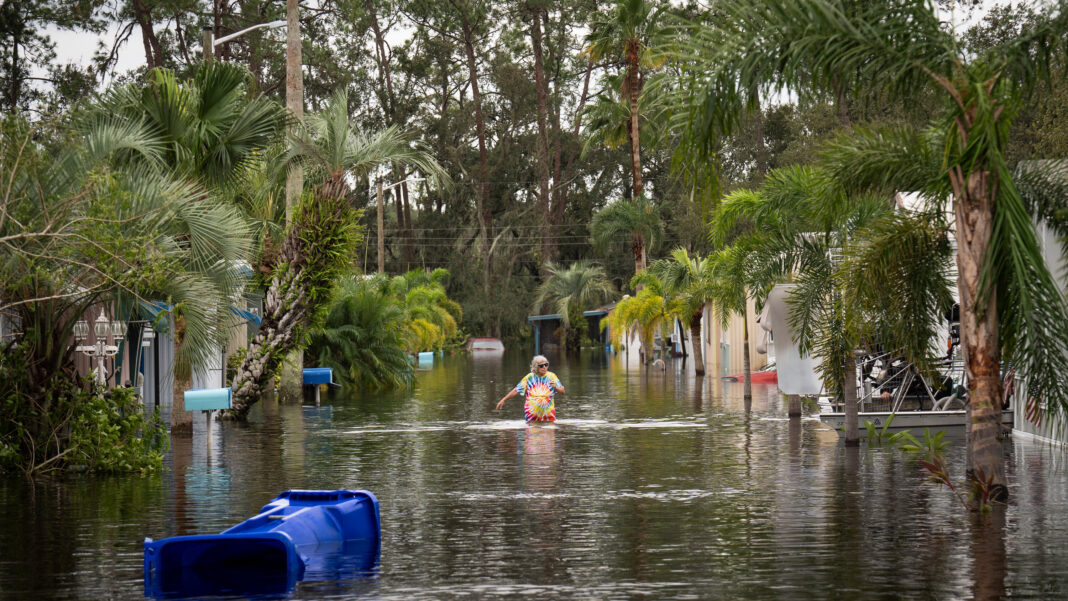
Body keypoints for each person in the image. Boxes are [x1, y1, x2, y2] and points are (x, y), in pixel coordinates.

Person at [496, 355, 564, 422]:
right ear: (536, 367)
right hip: (531, 417)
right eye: (541, 366)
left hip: (549, 416)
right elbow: (516, 390)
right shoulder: (529, 377)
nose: (544, 367)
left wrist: (555, 387)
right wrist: (503, 400)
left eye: (546, 365)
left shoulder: (552, 376)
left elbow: (562, 392)